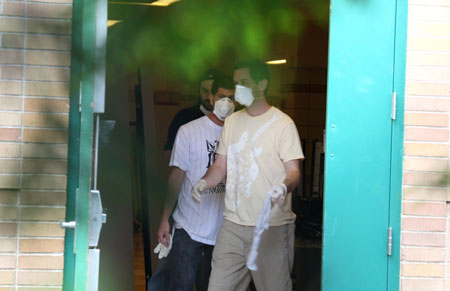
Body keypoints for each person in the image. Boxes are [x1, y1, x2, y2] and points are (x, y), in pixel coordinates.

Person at [192, 59, 304, 291]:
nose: (237, 89)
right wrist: (203, 181)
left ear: (262, 85)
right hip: (232, 225)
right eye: (236, 83)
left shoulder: (283, 124)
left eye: (244, 82)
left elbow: (294, 172)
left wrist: (284, 187)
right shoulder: (232, 122)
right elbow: (220, 166)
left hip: (270, 226)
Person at [158, 76, 236, 291]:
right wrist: (165, 219)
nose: (226, 102)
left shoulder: (239, 133)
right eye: (221, 96)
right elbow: (176, 176)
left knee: (212, 287)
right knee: (180, 286)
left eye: (231, 98)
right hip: (188, 225)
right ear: (210, 97)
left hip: (225, 230)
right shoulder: (189, 130)